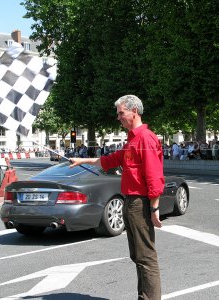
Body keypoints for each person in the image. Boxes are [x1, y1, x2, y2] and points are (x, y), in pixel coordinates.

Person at [70, 95, 164, 299]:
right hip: (131, 202)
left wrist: (155, 208)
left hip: (139, 202)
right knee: (139, 256)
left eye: (121, 113)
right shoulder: (133, 139)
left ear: (134, 112)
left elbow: (154, 176)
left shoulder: (145, 138)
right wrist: (81, 160)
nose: (118, 117)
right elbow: (109, 161)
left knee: (145, 257)